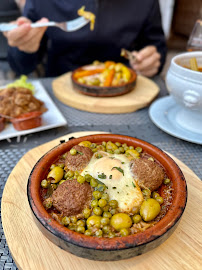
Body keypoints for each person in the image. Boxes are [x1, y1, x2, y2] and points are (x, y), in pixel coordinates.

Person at [4, 0, 167, 77]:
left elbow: (156, 45)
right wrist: (24, 48)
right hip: (61, 84)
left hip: (123, 86)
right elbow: (21, 67)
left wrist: (151, 61)